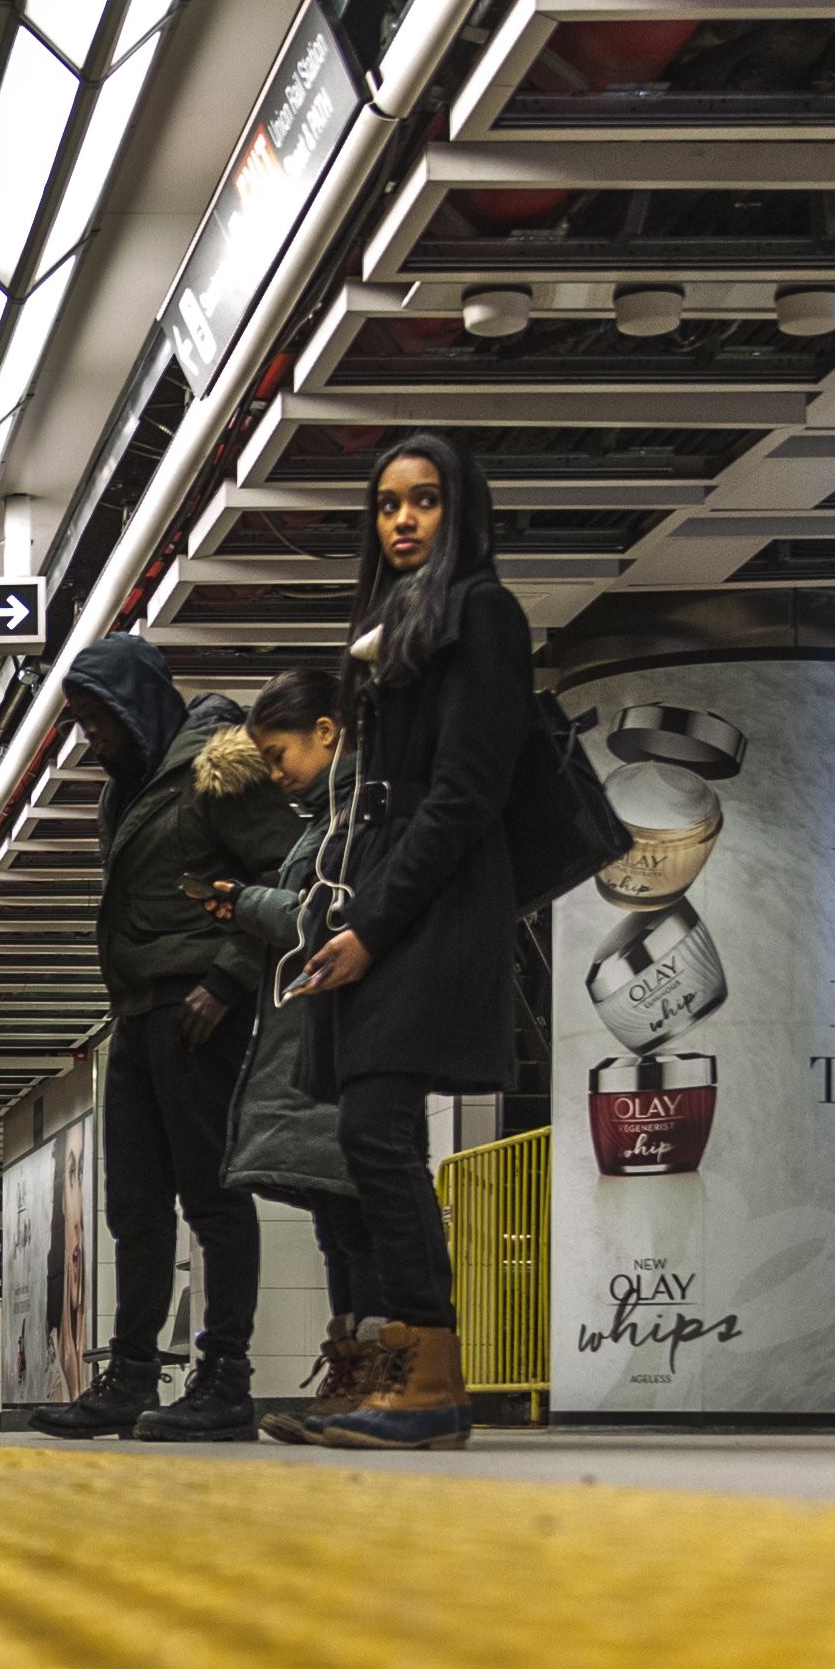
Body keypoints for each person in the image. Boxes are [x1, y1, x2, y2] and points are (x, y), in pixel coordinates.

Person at [285, 430, 527, 1453]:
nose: (402, 521)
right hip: (393, 878)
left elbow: (470, 789)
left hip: (438, 893)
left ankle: (428, 1372)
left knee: (376, 1130)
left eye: (424, 501)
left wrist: (372, 929)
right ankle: (398, 1368)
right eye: (387, 504)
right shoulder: (391, 623)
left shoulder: (482, 613)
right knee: (365, 1129)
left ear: (460, 511)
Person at [33, 631, 297, 1440]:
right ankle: (132, 1376)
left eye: (93, 717)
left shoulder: (219, 768)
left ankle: (227, 1378)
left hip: (196, 1005)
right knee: (134, 1205)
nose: (88, 735)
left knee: (213, 1198)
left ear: (130, 704)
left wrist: (228, 979)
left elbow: (288, 875)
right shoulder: (128, 786)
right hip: (137, 1012)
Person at [188, 668, 378, 1439]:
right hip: (320, 1037)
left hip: (352, 1036)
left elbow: (334, 915)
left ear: (327, 732)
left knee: (361, 1216)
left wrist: (245, 903)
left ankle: (375, 1376)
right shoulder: (320, 819)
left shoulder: (360, 815)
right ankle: (351, 1377)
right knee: (338, 1217)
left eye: (280, 752)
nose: (275, 771)